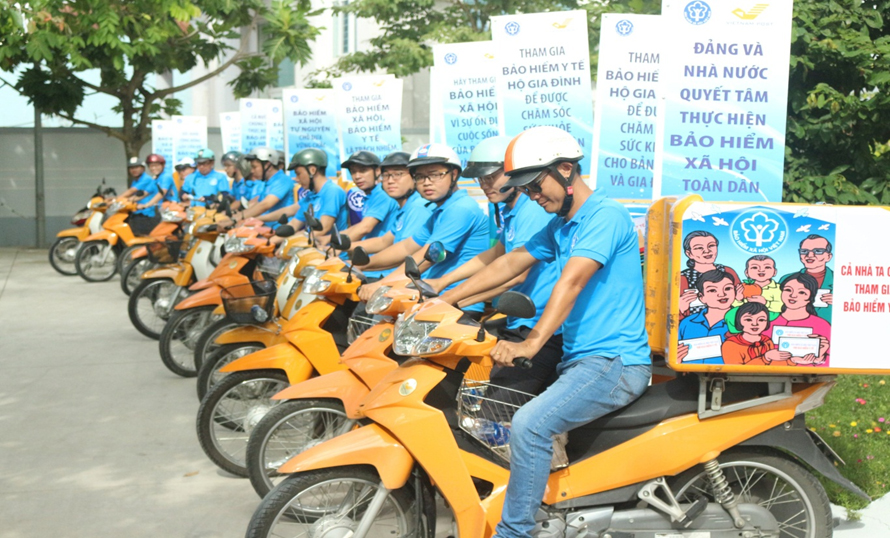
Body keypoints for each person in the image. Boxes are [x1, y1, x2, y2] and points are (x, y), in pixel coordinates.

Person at [437, 126, 651, 538]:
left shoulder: (604, 216)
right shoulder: (563, 225)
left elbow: (570, 283)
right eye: (528, 190)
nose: (535, 196)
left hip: (614, 362)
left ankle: (514, 532)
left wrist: (532, 342)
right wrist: (448, 299)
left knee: (529, 425)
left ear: (567, 170)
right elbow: (512, 261)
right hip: (584, 360)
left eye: (537, 186)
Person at [429, 135, 563, 396]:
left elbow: (515, 274)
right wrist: (442, 284)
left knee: (494, 410)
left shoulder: (532, 209)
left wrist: (457, 300)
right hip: (517, 320)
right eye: (480, 179)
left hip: (537, 326)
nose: (484, 185)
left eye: (491, 177)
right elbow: (497, 253)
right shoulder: (509, 208)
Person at [357, 143, 489, 315]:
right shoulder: (438, 211)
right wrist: (362, 265)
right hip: (431, 298)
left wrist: (383, 284)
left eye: (435, 175)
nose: (427, 183)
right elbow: (406, 247)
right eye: (420, 177)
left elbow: (428, 256)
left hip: (458, 305)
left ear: (454, 174)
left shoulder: (461, 208)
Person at [348, 151, 432, 279]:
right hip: (395, 275)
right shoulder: (404, 207)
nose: (390, 181)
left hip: (411, 281)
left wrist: (359, 265)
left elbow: (405, 251)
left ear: (415, 177)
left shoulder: (418, 207)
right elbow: (384, 241)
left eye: (398, 174)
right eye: (386, 175)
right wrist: (345, 247)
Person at [764, 273, 831, 366]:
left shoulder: (822, 325)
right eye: (788, 290)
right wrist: (766, 357)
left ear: (810, 297)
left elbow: (830, 362)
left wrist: (819, 358)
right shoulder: (766, 321)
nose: (793, 295)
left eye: (802, 292)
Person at [224, 147, 293, 229]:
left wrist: (235, 219)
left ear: (268, 165)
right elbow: (257, 204)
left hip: (278, 230)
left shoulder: (282, 180)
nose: (252, 171)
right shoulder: (267, 182)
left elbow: (265, 204)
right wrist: (237, 216)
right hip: (264, 227)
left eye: (254, 167)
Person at [285, 148, 348, 238]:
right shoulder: (311, 196)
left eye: (298, 173)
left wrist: (289, 242)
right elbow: (294, 224)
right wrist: (270, 241)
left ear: (312, 170)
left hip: (330, 250)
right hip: (312, 247)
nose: (296, 178)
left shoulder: (333, 191)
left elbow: (323, 229)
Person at [678, 230, 742, 318]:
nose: (707, 251)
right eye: (699, 248)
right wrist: (680, 308)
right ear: (689, 254)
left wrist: (740, 298)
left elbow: (742, 299)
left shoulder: (727, 271)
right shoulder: (683, 278)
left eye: (711, 246)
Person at [677, 270, 735, 364]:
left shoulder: (743, 323)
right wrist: (677, 359)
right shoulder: (687, 323)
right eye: (712, 290)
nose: (722, 294)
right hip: (691, 375)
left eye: (728, 288)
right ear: (701, 297)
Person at [341, 151, 398, 242]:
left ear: (378, 171)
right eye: (353, 172)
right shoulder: (369, 195)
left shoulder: (383, 193)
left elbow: (365, 228)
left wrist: (337, 247)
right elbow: (360, 226)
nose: (357, 176)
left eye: (363, 170)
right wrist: (330, 238)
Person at [780, 234, 834, 322]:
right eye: (804, 251)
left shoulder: (839, 280)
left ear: (828, 256)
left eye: (818, 251)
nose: (810, 255)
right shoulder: (787, 279)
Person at [721, 302, 791, 365]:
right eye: (748, 319)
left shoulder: (767, 341)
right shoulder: (730, 344)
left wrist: (791, 361)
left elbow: (774, 365)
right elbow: (736, 371)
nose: (755, 324)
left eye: (761, 320)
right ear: (739, 321)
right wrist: (765, 358)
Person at [120, 157, 161, 236]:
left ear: (143, 168)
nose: (134, 170)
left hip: (146, 215)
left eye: (136, 167)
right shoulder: (135, 180)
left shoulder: (146, 179)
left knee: (141, 240)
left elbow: (131, 191)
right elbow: (132, 196)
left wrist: (117, 199)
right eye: (131, 168)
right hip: (137, 213)